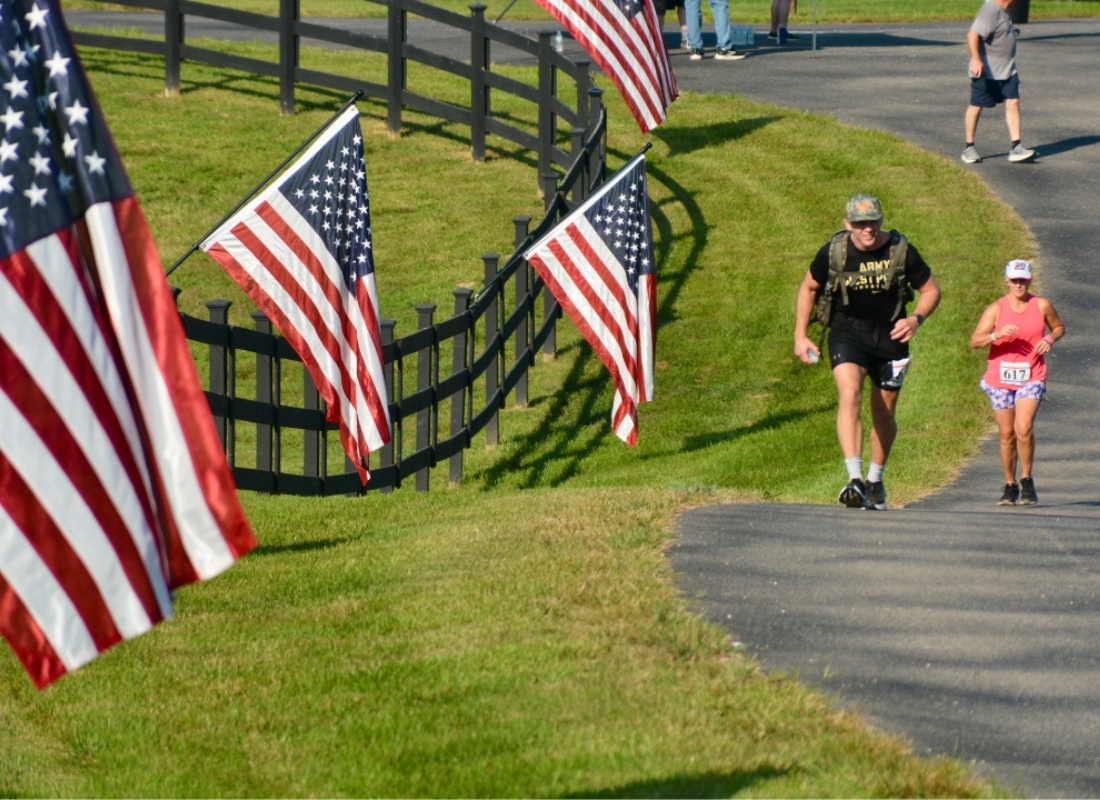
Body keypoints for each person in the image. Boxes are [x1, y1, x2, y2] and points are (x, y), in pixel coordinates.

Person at [794, 194, 941, 510]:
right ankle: (855, 479)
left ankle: (875, 481)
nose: (867, 229)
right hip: (848, 334)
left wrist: (916, 319)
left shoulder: (900, 250)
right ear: (848, 224)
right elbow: (809, 287)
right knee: (849, 394)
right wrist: (800, 335)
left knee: (883, 412)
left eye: (873, 221)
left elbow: (931, 290)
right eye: (860, 223)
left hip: (892, 339)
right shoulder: (834, 252)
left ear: (881, 219)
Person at [969, 259, 1064, 506]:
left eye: (1023, 280)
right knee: (1006, 434)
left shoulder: (1041, 305)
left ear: (1030, 280)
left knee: (1023, 428)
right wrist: (995, 335)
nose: (1019, 285)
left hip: (1031, 374)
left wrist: (1050, 340)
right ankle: (1010, 484)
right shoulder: (996, 309)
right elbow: (975, 341)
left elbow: (1058, 327)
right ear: (1007, 281)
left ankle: (1026, 479)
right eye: (1014, 280)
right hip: (999, 379)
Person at [962, 0, 1036, 164]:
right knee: (976, 106)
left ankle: (1016, 147)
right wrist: (976, 59)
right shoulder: (990, 10)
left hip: (1008, 70)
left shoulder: (1001, 12)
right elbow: (972, 34)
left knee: (1013, 102)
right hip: (986, 72)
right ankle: (969, 147)